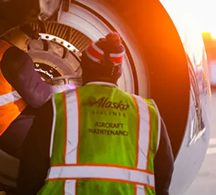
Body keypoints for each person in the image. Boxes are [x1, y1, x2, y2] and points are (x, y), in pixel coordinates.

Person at [17, 32, 174, 195]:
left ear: (83, 66)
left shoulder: (57, 107)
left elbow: (30, 169)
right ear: (118, 72)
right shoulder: (148, 112)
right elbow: (164, 172)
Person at [0, 29, 74, 159]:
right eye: (26, 41)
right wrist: (74, 90)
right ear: (11, 32)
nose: (26, 48)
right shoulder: (11, 54)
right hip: (6, 123)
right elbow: (39, 97)